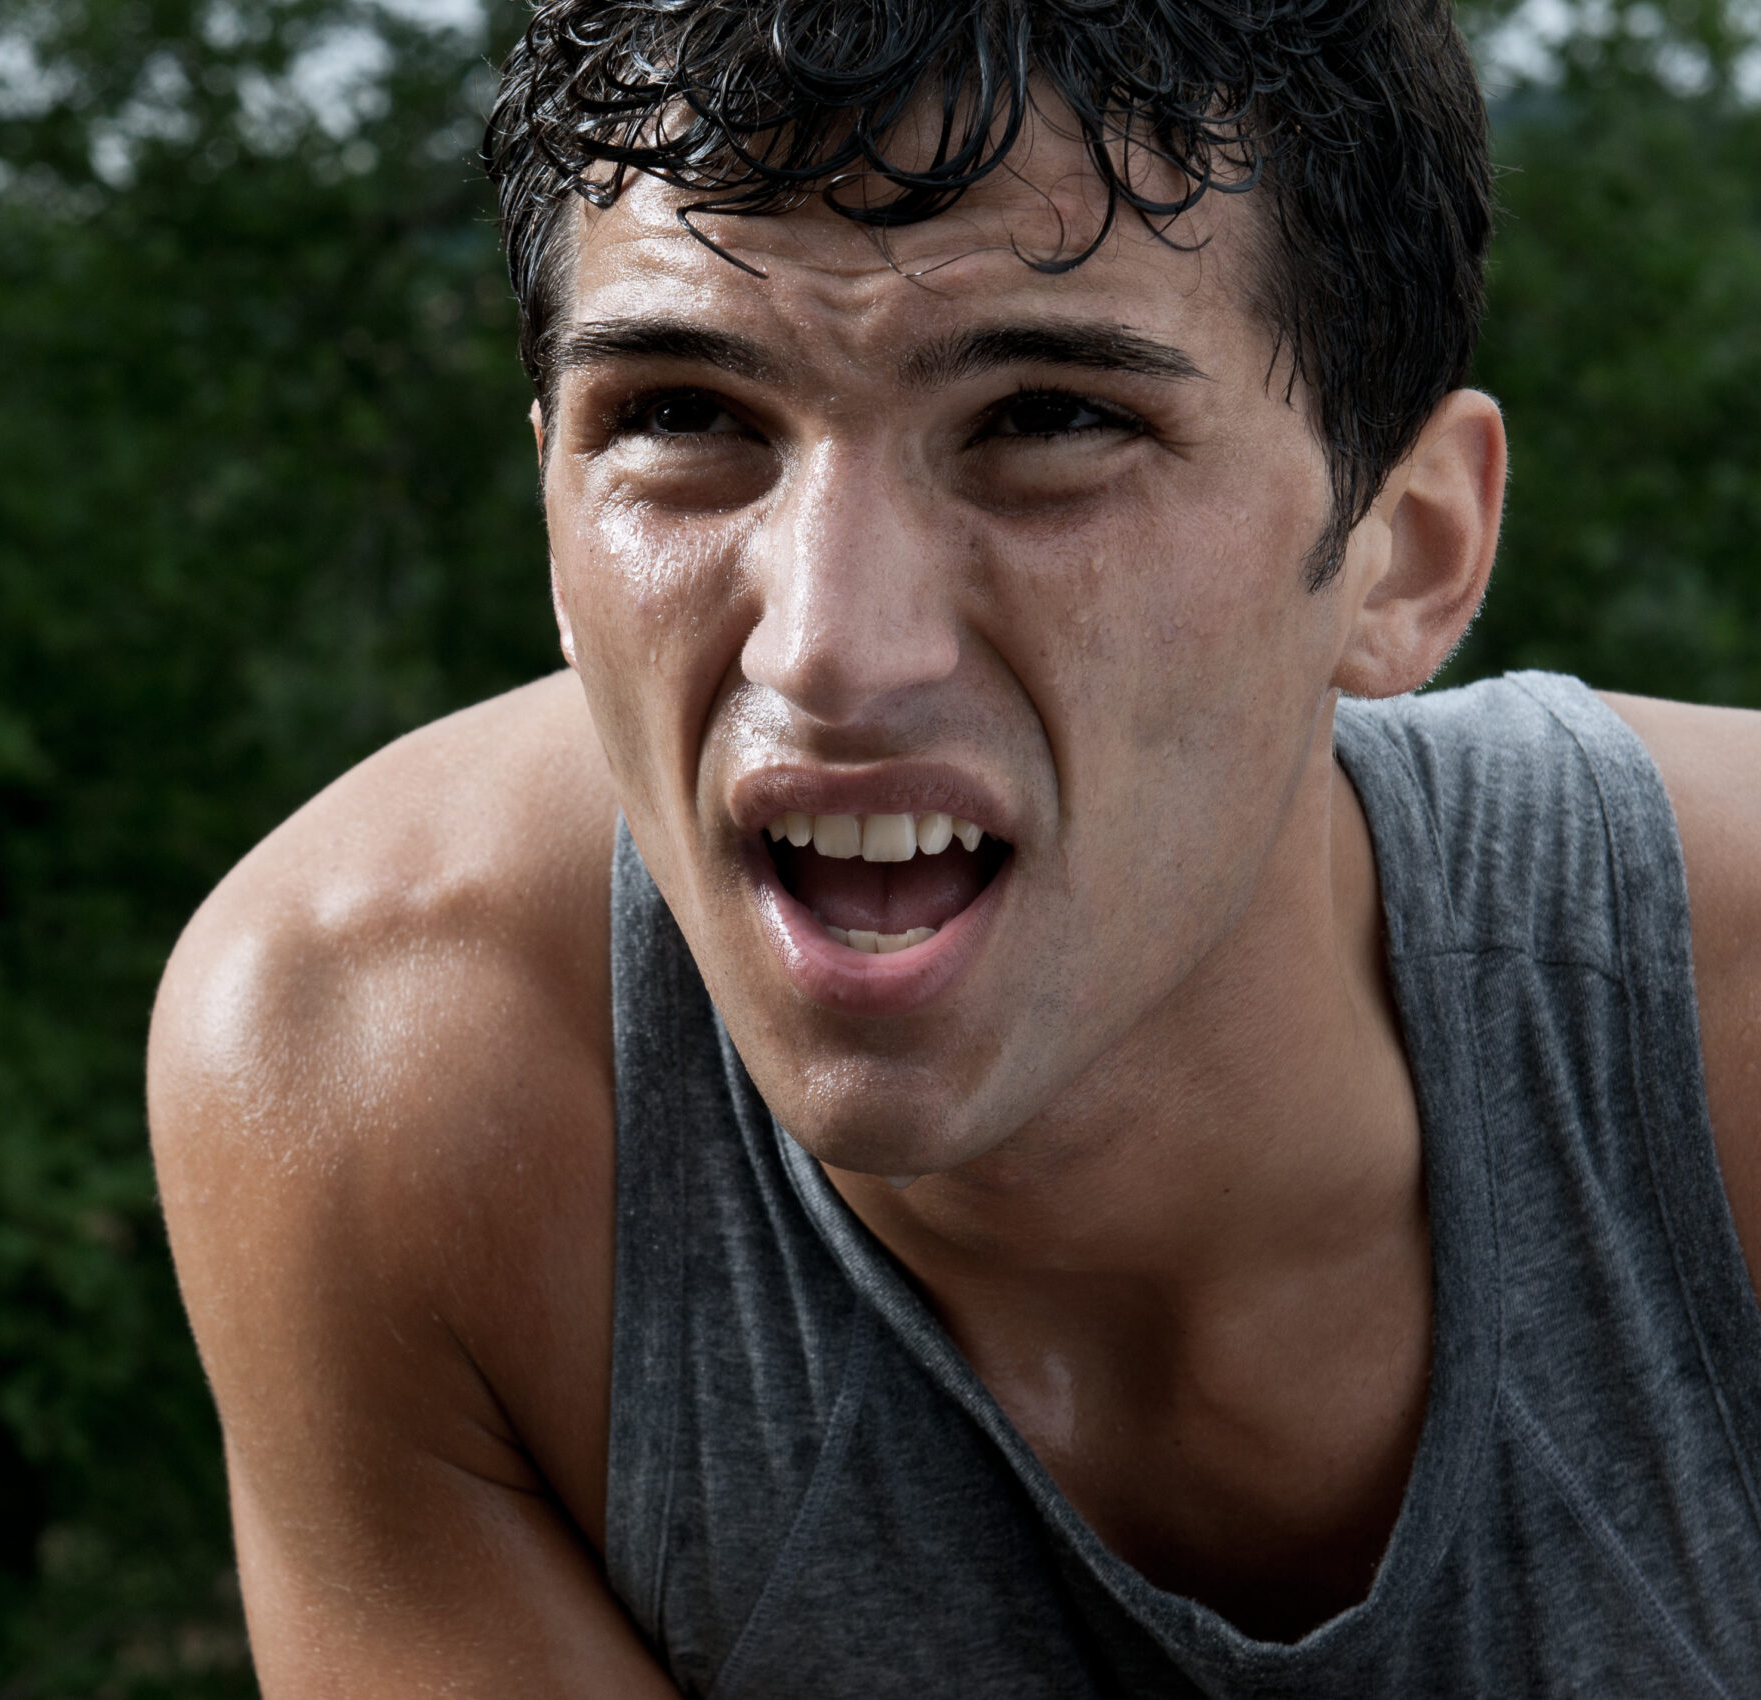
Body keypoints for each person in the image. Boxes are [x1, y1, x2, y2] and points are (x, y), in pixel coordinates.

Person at [147, 0, 1761, 1690]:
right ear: (553, 517)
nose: (829, 648)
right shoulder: (389, 1059)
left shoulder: (1710, 1036)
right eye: (686, 413)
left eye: (1050, 419)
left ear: (1409, 549)